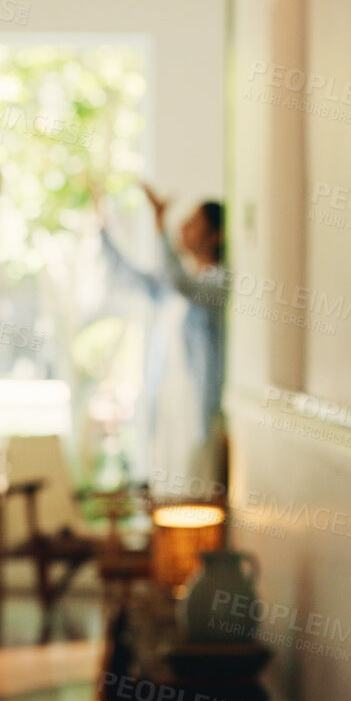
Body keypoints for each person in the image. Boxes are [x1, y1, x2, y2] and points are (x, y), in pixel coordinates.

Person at [94, 181, 228, 480]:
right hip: (167, 406)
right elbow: (130, 277)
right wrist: (102, 227)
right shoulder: (172, 288)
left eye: (194, 223)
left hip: (197, 412)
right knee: (165, 483)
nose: (183, 228)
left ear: (216, 235)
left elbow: (182, 284)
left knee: (194, 485)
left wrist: (159, 225)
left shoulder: (217, 284)